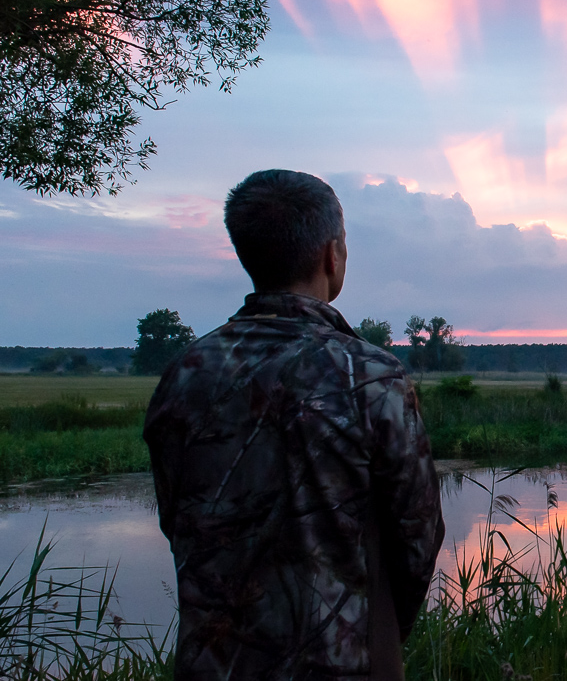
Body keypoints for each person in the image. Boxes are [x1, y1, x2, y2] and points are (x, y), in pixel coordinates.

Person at [144, 170, 444, 680]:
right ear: (332, 255)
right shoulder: (368, 378)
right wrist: (369, 631)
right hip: (337, 665)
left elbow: (179, 523)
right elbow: (417, 541)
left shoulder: (184, 375)